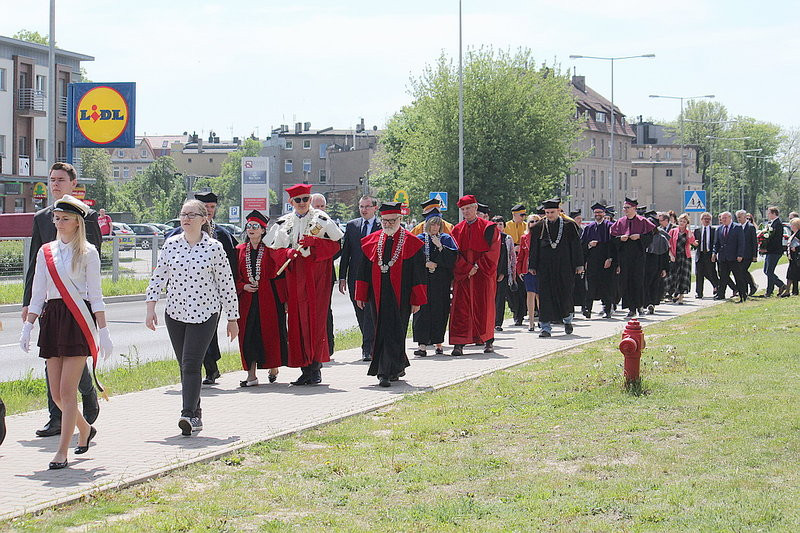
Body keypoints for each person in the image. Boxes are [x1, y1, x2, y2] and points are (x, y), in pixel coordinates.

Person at [19, 195, 113, 469]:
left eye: (65, 219)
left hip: (77, 320)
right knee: (57, 394)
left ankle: (62, 451)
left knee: (67, 392)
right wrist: (27, 326)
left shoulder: (88, 253)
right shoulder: (45, 251)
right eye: (57, 218)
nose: (59, 223)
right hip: (53, 319)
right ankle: (84, 429)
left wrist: (103, 330)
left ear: (77, 223)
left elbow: (96, 295)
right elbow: (38, 293)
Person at [145, 199, 239, 436]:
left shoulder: (214, 247)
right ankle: (195, 413)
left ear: (204, 219)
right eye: (183, 214)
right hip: (175, 313)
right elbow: (159, 277)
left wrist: (232, 318)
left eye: (192, 215)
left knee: (191, 364)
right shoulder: (171, 244)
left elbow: (226, 284)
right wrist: (150, 307)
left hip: (205, 313)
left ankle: (187, 414)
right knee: (185, 365)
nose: (186, 219)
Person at [22, 162, 101, 438]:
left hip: (77, 305)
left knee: (72, 363)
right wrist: (28, 303)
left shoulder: (86, 216)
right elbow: (35, 262)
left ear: (72, 183)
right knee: (53, 362)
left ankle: (87, 395)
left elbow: (92, 260)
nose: (55, 184)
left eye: (60, 180)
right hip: (52, 306)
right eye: (52, 179)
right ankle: (56, 417)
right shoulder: (43, 217)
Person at [265, 184, 343, 385]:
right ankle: (304, 368)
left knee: (316, 321)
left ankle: (315, 367)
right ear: (291, 202)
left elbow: (336, 245)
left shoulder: (322, 220)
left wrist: (315, 244)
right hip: (294, 276)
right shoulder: (284, 222)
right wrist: (286, 253)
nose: (302, 203)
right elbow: (273, 251)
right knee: (298, 322)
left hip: (316, 276)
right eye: (298, 200)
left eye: (305, 199)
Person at [167, 192, 238, 385]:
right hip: (182, 297)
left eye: (212, 207)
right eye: (206, 207)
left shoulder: (222, 235)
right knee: (189, 346)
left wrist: (231, 304)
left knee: (207, 333)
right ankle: (200, 373)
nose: (209, 210)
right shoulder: (175, 238)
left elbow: (230, 268)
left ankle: (209, 367)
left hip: (211, 296)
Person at [355, 202, 427, 387]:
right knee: (381, 329)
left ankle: (390, 369)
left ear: (400, 219)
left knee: (396, 331)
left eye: (392, 220)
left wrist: (417, 299)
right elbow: (362, 270)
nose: (387, 224)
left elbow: (418, 274)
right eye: (385, 221)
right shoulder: (372, 241)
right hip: (376, 294)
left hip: (401, 295)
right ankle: (386, 369)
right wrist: (361, 294)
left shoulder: (411, 242)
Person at [235, 211, 288, 387]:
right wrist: (243, 286)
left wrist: (284, 300)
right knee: (248, 335)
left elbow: (280, 275)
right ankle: (251, 375)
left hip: (270, 300)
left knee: (270, 334)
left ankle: (273, 367)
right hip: (247, 302)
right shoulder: (239, 251)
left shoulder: (271, 250)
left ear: (263, 230)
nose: (251, 229)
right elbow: (234, 276)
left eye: (255, 226)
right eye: (249, 226)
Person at [449, 195, 501, 355]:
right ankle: (459, 343)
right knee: (460, 309)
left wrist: (477, 266)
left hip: (483, 275)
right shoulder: (456, 230)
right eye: (463, 209)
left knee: (484, 307)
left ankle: (487, 341)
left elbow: (494, 251)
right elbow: (454, 254)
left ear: (476, 208)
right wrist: (466, 268)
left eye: (468, 208)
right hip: (464, 276)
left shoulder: (489, 228)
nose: (466, 212)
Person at [528, 198, 584, 337]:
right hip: (545, 267)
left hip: (565, 266)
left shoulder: (569, 226)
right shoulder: (538, 227)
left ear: (558, 211)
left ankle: (567, 320)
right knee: (545, 296)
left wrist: (579, 264)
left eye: (552, 212)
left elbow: (576, 246)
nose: (549, 215)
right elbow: (534, 248)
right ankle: (545, 328)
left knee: (565, 293)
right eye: (547, 212)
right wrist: (532, 265)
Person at [338, 195, 381, 361]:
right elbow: (346, 253)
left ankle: (368, 347)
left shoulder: (381, 225)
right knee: (360, 311)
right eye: (361, 206)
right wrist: (342, 277)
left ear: (375, 208)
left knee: (371, 311)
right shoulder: (352, 226)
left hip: (374, 275)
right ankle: (369, 342)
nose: (364, 210)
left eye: (367, 206)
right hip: (355, 276)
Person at [412, 210, 457, 356]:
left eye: (438, 225)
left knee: (440, 311)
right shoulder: (419, 238)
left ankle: (438, 343)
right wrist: (426, 264)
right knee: (422, 312)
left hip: (440, 282)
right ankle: (422, 345)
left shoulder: (446, 238)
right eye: (432, 224)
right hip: (424, 281)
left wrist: (440, 247)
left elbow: (452, 260)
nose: (435, 228)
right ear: (427, 225)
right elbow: (412, 259)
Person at [610, 197, 655, 317]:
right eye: (624, 208)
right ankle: (631, 308)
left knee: (638, 281)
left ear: (634, 208)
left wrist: (639, 237)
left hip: (638, 255)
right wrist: (620, 238)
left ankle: (639, 306)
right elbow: (613, 238)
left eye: (627, 208)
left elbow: (650, 237)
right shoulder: (620, 222)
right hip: (624, 256)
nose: (625, 210)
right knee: (626, 281)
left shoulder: (642, 221)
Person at [311, 193, 336, 355]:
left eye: (322, 206)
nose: (320, 210)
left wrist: (323, 255)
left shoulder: (329, 223)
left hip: (325, 273)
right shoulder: (306, 222)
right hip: (306, 274)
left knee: (325, 311)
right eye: (317, 206)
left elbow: (337, 246)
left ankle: (328, 347)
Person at [581, 203, 616, 319]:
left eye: (600, 212)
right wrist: (588, 247)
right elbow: (582, 245)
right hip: (592, 261)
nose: (598, 215)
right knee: (590, 285)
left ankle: (607, 310)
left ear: (604, 213)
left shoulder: (610, 227)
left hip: (605, 261)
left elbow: (613, 245)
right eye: (596, 213)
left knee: (606, 285)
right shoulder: (589, 228)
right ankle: (588, 309)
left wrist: (610, 258)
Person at [713, 211, 747, 303]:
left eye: (725, 218)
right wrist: (714, 253)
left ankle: (742, 295)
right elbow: (717, 244)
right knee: (723, 277)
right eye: (722, 218)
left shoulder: (737, 227)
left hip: (734, 257)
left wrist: (740, 255)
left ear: (730, 218)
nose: (723, 220)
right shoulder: (719, 229)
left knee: (738, 277)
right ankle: (721, 294)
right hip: (723, 257)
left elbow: (741, 242)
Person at [491, 216, 516, 332]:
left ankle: (498, 323)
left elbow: (510, 257)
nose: (498, 226)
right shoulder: (489, 238)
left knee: (500, 299)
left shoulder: (507, 238)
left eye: (500, 224)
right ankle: (489, 322)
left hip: (503, 273)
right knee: (490, 299)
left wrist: (504, 273)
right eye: (496, 224)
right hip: (490, 273)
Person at [504, 204, 528, 325]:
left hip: (522, 261)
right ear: (514, 214)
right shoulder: (507, 226)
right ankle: (514, 310)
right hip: (510, 261)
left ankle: (521, 315)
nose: (524, 217)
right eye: (521, 215)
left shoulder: (526, 226)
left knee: (522, 289)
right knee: (511, 290)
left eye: (525, 215)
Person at [516, 214, 540, 331]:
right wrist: (519, 270)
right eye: (531, 221)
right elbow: (521, 256)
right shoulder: (524, 238)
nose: (534, 223)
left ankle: (542, 319)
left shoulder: (543, 237)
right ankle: (531, 322)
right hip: (527, 270)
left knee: (540, 296)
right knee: (530, 294)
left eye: (536, 221)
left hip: (540, 270)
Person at [644, 213, 670, 314]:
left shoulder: (661, 238)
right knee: (645, 284)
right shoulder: (644, 237)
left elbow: (664, 254)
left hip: (656, 264)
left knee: (654, 285)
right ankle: (646, 303)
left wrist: (664, 268)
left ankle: (652, 304)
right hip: (644, 265)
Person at [667, 213, 696, 305]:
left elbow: (692, 241)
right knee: (674, 276)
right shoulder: (673, 231)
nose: (682, 223)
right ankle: (675, 292)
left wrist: (690, 230)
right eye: (680, 221)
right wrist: (671, 255)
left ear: (687, 223)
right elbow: (668, 244)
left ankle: (681, 296)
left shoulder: (688, 233)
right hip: (675, 256)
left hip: (685, 257)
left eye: (684, 221)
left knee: (684, 277)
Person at [693, 212, 719, 299]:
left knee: (711, 273)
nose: (707, 221)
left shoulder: (714, 230)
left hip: (709, 254)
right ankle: (699, 292)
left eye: (708, 219)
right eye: (705, 219)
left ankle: (716, 288)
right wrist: (694, 244)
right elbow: (693, 244)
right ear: (701, 220)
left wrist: (714, 254)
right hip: (700, 255)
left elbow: (715, 243)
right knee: (699, 274)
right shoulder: (697, 231)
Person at [763, 206, 788, 297]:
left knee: (769, 271)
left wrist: (767, 248)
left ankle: (776, 287)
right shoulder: (772, 223)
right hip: (770, 251)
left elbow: (775, 240)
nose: (768, 215)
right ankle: (774, 288)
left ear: (774, 213)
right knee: (766, 271)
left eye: (769, 213)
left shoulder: (777, 224)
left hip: (774, 251)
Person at [736, 209, 759, 296]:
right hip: (739, 254)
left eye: (740, 217)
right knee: (740, 272)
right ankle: (744, 290)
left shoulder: (750, 227)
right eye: (737, 217)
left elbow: (754, 242)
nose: (738, 219)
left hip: (748, 254)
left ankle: (753, 285)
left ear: (745, 217)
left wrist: (754, 255)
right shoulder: (737, 227)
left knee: (743, 270)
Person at [785, 217, 800, 296]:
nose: (791, 226)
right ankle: (793, 291)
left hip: (797, 257)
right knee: (793, 274)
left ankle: (791, 291)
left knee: (793, 274)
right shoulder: (793, 233)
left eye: (792, 225)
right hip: (792, 258)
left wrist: (796, 248)